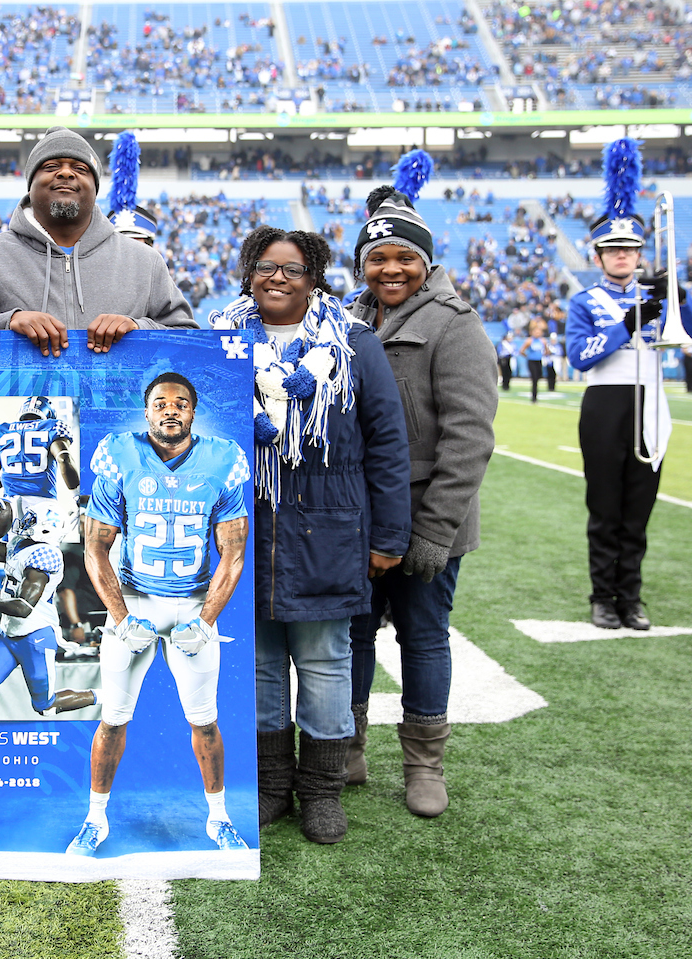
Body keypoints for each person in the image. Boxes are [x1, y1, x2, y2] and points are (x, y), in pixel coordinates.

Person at [210, 229, 410, 843]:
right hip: (250, 523)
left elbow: (388, 441)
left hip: (331, 521)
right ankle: (273, 784)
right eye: (266, 267)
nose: (277, 278)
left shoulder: (354, 342)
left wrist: (390, 534)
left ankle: (322, 789)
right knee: (262, 663)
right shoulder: (219, 339)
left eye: (292, 269)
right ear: (249, 274)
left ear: (314, 277)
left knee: (325, 662)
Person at [346, 188, 498, 818]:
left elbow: (470, 438)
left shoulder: (453, 324)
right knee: (351, 635)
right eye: (377, 258)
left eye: (404, 257)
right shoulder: (348, 321)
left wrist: (434, 531)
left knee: (423, 638)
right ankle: (345, 748)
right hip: (357, 516)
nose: (391, 269)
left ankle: (424, 764)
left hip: (425, 516)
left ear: (426, 262)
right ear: (362, 266)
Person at [67, 373, 251, 855]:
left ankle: (218, 819)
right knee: (112, 718)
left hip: (192, 605)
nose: (171, 410)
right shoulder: (119, 453)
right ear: (147, 411)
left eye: (182, 403)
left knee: (205, 721)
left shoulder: (223, 460)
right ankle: (95, 819)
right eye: (161, 403)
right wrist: (121, 617)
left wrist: (205, 621)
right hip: (135, 600)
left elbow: (232, 551)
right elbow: (94, 546)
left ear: (194, 412)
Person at [0, 125, 197, 381]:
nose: (65, 173)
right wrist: (5, 323)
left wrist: (139, 330)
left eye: (80, 168)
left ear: (95, 187)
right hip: (21, 425)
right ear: (31, 184)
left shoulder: (145, 262)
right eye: (51, 166)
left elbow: (196, 349)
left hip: (119, 426)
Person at [564, 139, 692, 631]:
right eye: (612, 249)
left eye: (630, 248)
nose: (622, 255)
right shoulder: (585, 301)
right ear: (598, 256)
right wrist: (628, 323)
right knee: (605, 506)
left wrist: (678, 300)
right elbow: (580, 355)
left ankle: (631, 598)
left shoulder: (660, 296)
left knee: (639, 508)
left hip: (650, 402)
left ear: (641, 252)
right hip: (605, 404)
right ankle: (602, 596)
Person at [0, 499, 97, 719]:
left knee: (45, 706)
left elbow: (23, 608)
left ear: (46, 528)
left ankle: (105, 696)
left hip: (35, 635)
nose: (24, 522)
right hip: (7, 632)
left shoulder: (45, 556)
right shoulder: (21, 544)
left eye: (32, 520)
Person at [0, 395, 79, 511]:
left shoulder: (0, 431)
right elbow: (63, 459)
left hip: (9, 506)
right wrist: (76, 494)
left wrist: (7, 480)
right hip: (44, 504)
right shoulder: (52, 427)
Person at [520, 318, 550, 403]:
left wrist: (544, 354)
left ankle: (535, 394)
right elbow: (522, 351)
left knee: (539, 376)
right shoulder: (529, 340)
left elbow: (547, 351)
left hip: (539, 360)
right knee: (534, 378)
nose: (537, 333)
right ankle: (534, 397)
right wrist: (528, 356)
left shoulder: (543, 341)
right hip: (532, 361)